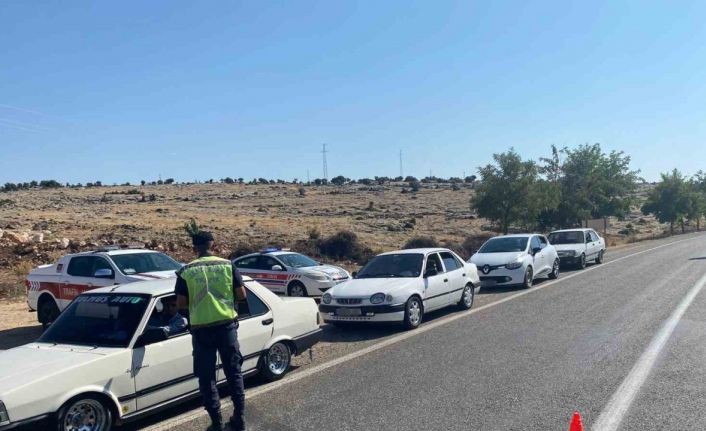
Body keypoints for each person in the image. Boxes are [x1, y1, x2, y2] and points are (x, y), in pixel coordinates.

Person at [175, 231, 247, 431]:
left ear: (194, 248)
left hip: (201, 331)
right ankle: (240, 419)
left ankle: (216, 423)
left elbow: (181, 305)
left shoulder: (186, 271)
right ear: (213, 245)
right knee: (234, 374)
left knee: (207, 378)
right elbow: (241, 295)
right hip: (227, 328)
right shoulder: (227, 265)